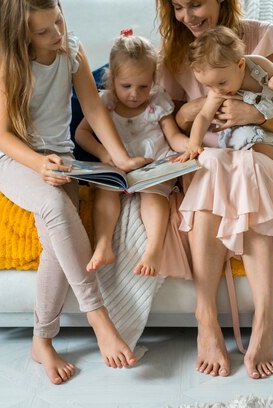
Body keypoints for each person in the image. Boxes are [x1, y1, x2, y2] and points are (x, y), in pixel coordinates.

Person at [0, 0, 151, 385]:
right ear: (20, 34)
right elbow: (2, 135)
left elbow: (92, 107)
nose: (56, 35)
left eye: (58, 21)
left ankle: (41, 341)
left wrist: (120, 158)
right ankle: (98, 317)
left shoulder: (71, 49)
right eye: (43, 31)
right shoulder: (8, 66)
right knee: (56, 206)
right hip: (16, 158)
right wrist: (38, 164)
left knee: (58, 238)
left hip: (60, 159)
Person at [156, 0, 273, 379]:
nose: (187, 16)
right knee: (210, 165)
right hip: (210, 157)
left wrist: (256, 113)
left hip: (260, 152)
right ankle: (205, 318)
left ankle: (264, 321)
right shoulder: (174, 53)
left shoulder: (263, 38)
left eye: (196, 4)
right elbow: (172, 120)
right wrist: (197, 111)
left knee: (246, 167)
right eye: (177, 7)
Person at [75, 30, 189, 277]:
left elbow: (174, 137)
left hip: (153, 165)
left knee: (154, 195)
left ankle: (154, 249)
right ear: (112, 77)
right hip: (117, 166)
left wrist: (191, 146)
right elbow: (81, 134)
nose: (135, 94)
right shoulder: (104, 102)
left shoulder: (158, 102)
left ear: (153, 80)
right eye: (126, 86)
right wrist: (105, 155)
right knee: (106, 191)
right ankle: (103, 244)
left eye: (143, 86)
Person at [177, 26, 273, 179]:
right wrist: (194, 143)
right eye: (209, 86)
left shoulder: (258, 65)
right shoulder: (217, 93)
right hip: (244, 135)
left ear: (241, 65)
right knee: (255, 143)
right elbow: (204, 116)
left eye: (221, 83)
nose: (216, 90)